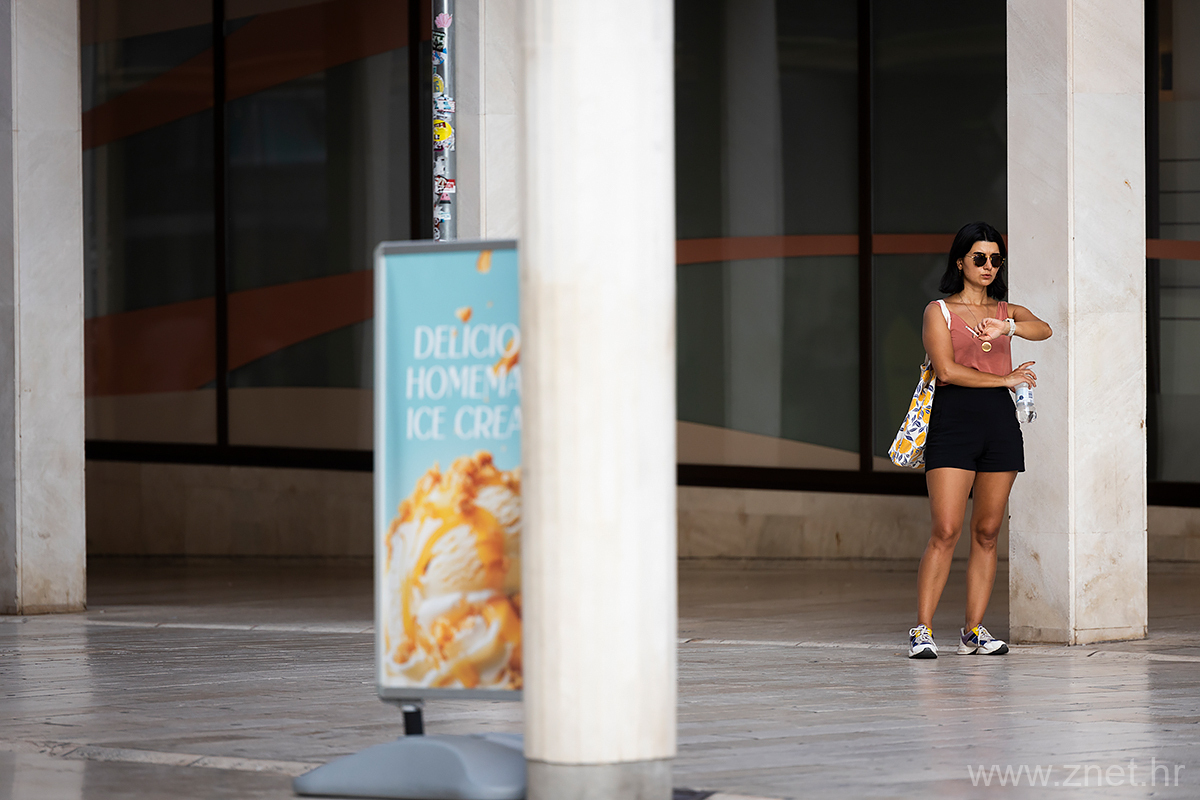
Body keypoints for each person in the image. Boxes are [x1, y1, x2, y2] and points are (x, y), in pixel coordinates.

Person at [908, 221, 1052, 659]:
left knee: (988, 532)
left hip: (999, 425)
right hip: (954, 421)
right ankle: (921, 629)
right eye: (979, 258)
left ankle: (972, 631)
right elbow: (947, 371)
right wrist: (1005, 379)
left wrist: (1008, 329)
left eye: (995, 259)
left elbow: (1044, 328)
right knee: (946, 529)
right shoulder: (939, 311)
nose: (988, 266)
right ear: (960, 262)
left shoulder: (1006, 312)